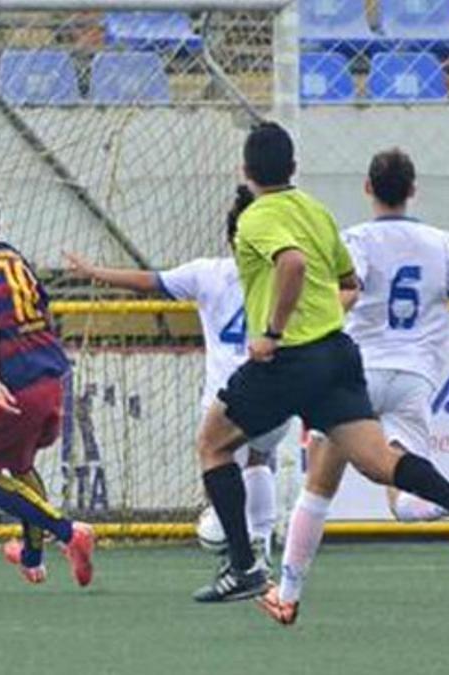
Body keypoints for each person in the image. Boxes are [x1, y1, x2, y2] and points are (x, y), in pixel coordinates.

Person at [192, 122, 449, 606]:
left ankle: (244, 567)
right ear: (294, 168)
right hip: (337, 354)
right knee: (379, 462)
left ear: (245, 170)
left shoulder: (256, 217)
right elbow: (344, 277)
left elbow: (293, 265)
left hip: (290, 355)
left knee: (212, 444)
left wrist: (272, 331)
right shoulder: (316, 212)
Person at [64, 185, 289, 565]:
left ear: (230, 238)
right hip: (276, 393)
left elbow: (147, 281)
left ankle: (236, 552)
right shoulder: (283, 279)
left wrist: (93, 272)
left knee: (220, 466)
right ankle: (263, 544)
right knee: (261, 457)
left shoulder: (207, 274)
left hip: (226, 399)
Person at [0, 183, 95, 587]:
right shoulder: (17, 258)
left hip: (15, 380)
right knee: (21, 465)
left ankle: (69, 533)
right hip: (50, 373)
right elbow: (38, 313)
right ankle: (32, 558)